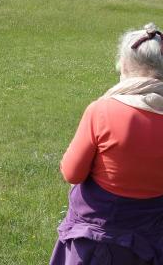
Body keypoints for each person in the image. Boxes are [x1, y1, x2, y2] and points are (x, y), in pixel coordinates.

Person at [50, 23, 163, 265]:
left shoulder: (102, 110)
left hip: (97, 239)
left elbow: (72, 173)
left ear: (123, 65)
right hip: (150, 241)